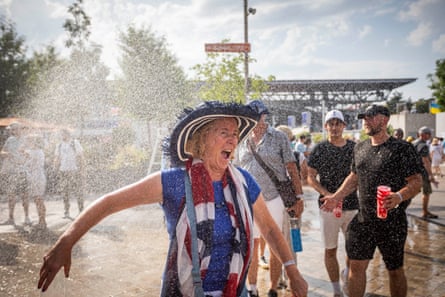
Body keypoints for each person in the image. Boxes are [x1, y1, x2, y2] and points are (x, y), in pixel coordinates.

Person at [38, 101, 308, 297]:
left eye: (235, 134)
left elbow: (271, 229)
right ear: (202, 140)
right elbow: (109, 202)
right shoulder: (175, 182)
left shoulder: (243, 182)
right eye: (223, 132)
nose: (233, 139)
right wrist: (66, 242)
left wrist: (292, 271)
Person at [320, 104, 422, 297]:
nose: (364, 121)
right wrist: (335, 197)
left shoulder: (402, 149)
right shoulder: (360, 148)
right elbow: (354, 178)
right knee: (356, 267)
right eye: (363, 118)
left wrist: (399, 196)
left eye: (370, 117)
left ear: (384, 120)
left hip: (392, 222)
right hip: (363, 220)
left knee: (394, 269)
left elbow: (416, 181)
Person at [235, 100, 304, 297]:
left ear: (265, 116)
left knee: (274, 243)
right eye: (251, 115)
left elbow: (291, 167)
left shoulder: (279, 137)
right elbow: (237, 169)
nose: (255, 120)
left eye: (258, 115)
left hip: (274, 198)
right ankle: (253, 288)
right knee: (252, 245)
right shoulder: (241, 138)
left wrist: (299, 197)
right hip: (248, 200)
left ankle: (273, 288)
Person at [307, 110, 358, 297]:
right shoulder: (319, 149)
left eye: (338, 123)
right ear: (325, 127)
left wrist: (338, 196)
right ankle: (336, 290)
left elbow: (358, 177)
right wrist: (327, 195)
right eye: (331, 123)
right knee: (330, 249)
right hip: (327, 207)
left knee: (353, 251)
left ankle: (346, 273)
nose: (334, 127)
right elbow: (310, 177)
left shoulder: (354, 148)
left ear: (344, 126)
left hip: (352, 206)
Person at [0, 122, 31, 226]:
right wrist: (7, 154)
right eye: (12, 130)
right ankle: (11, 218)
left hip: (23, 171)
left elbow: (30, 154)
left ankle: (27, 217)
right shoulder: (10, 140)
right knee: (11, 195)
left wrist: (24, 157)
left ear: (20, 129)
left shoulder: (26, 140)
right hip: (11, 171)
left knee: (24, 195)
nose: (13, 131)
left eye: (15, 129)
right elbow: (2, 152)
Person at [53, 129, 85, 218]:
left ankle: (81, 210)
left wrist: (82, 170)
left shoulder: (74, 143)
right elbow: (57, 157)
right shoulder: (59, 145)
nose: (62, 136)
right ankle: (66, 211)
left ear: (68, 134)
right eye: (61, 134)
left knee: (78, 191)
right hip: (63, 171)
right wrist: (55, 167)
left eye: (63, 134)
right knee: (65, 192)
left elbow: (81, 156)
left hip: (74, 170)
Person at [412, 126, 439, 219]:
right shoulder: (423, 145)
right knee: (426, 192)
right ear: (423, 135)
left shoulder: (413, 143)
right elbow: (426, 161)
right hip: (422, 173)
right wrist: (431, 175)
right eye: (428, 134)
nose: (430, 136)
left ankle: (399, 209)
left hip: (413, 172)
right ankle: (425, 212)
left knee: (411, 192)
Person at [24, 134, 48, 228]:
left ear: (34, 142)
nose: (28, 142)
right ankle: (41, 221)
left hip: (37, 178)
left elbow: (23, 155)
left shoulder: (34, 152)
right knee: (38, 200)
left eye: (30, 141)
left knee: (39, 200)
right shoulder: (37, 151)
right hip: (36, 178)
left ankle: (42, 222)